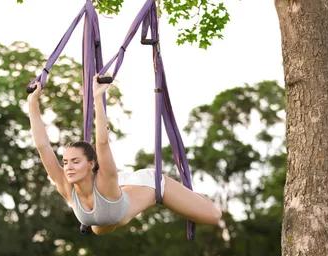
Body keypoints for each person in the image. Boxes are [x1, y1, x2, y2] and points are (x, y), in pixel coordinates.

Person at [27, 75, 221, 235]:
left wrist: (98, 98)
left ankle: (183, 192)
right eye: (66, 162)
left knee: (214, 216)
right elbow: (43, 146)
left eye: (76, 161)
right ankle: (116, 203)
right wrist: (32, 102)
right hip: (119, 191)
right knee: (97, 228)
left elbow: (102, 142)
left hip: (147, 185)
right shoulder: (66, 186)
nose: (68, 167)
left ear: (91, 164)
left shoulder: (105, 180)